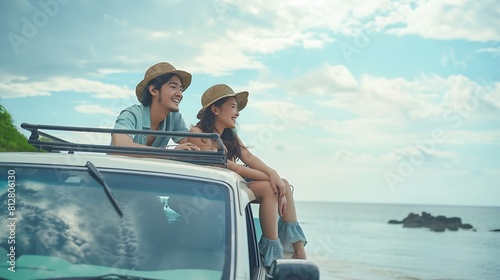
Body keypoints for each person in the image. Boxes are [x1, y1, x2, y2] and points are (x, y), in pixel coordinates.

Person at [187, 84, 307, 267]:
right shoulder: (197, 133)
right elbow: (229, 166)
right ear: (215, 109)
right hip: (213, 190)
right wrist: (270, 178)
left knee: (283, 183)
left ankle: (300, 253)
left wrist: (274, 174)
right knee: (271, 187)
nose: (237, 113)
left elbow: (248, 157)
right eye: (233, 106)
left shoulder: (229, 134)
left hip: (233, 184)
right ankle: (271, 257)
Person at [111, 62, 199, 150]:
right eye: (173, 87)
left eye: (181, 89)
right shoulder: (131, 115)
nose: (180, 94)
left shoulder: (174, 117)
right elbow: (121, 145)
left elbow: (192, 145)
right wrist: (171, 153)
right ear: (153, 90)